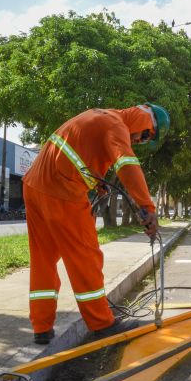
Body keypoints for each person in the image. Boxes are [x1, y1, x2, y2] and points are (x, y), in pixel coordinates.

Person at [22, 104, 169, 344]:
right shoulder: (116, 125)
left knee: (43, 258)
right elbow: (127, 165)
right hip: (63, 191)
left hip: (34, 185)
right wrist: (147, 207)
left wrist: (96, 182)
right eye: (144, 137)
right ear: (146, 123)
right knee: (85, 256)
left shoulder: (99, 115)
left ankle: (42, 327)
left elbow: (77, 154)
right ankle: (102, 324)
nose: (138, 142)